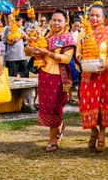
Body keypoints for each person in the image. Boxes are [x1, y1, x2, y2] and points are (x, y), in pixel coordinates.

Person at [25, 9, 75, 152]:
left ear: (66, 22)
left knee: (55, 106)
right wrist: (30, 50)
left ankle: (53, 139)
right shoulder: (45, 34)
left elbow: (67, 58)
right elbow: (28, 50)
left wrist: (47, 53)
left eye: (60, 20)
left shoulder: (68, 38)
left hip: (59, 77)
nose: (56, 23)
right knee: (46, 106)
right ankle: (59, 126)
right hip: (44, 75)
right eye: (54, 20)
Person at [77, 0, 108, 152]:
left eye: (97, 16)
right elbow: (78, 52)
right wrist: (82, 60)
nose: (94, 18)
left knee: (102, 104)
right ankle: (93, 131)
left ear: (103, 18)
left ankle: (101, 135)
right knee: (86, 104)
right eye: (91, 15)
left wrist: (105, 64)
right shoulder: (83, 33)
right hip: (88, 73)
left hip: (103, 73)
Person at [68, 15, 82, 102]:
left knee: (78, 76)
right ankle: (70, 97)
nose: (77, 27)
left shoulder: (81, 33)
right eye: (75, 26)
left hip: (78, 57)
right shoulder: (66, 33)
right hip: (69, 56)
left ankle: (80, 95)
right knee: (69, 75)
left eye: (78, 26)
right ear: (71, 24)